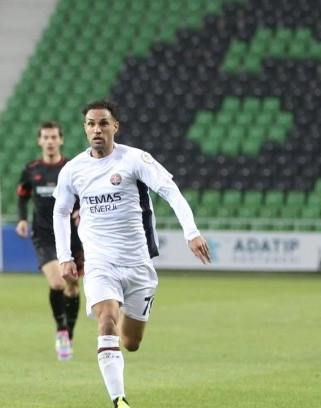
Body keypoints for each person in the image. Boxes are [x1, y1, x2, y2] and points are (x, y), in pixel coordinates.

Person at [52, 100, 211, 408]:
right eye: (91, 124)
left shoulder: (134, 159)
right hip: (100, 263)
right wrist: (65, 256)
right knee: (107, 320)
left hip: (138, 264)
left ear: (115, 126)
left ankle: (121, 321)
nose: (97, 129)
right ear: (84, 128)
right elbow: (60, 212)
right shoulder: (73, 170)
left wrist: (191, 233)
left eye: (103, 123)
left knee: (131, 342)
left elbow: (170, 191)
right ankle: (119, 400)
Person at [16, 121, 84, 361]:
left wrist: (82, 209)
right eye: (45, 137)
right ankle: (61, 330)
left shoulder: (73, 168)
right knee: (57, 283)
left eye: (54, 137)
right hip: (43, 235)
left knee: (73, 287)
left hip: (72, 237)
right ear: (40, 141)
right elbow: (23, 196)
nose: (50, 141)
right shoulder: (31, 170)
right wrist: (22, 219)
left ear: (61, 140)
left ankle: (70, 334)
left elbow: (87, 193)